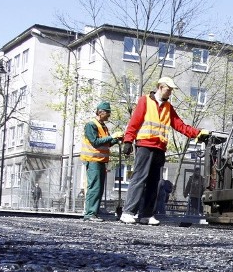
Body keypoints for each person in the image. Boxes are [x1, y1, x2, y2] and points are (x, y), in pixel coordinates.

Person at [119, 79, 209, 225]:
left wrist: (197, 133)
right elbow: (134, 122)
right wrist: (128, 140)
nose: (170, 92)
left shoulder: (168, 107)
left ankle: (146, 215)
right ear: (160, 87)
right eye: (169, 89)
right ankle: (128, 212)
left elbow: (179, 125)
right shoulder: (145, 101)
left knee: (155, 182)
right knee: (139, 179)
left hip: (159, 148)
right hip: (145, 145)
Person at [80, 101, 122, 222]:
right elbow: (95, 142)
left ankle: (94, 212)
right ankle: (89, 214)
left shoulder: (103, 126)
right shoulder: (91, 125)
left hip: (101, 160)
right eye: (107, 113)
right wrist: (112, 136)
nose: (109, 115)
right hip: (93, 160)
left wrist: (116, 139)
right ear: (100, 112)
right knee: (94, 187)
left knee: (98, 188)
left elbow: (106, 143)